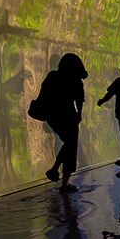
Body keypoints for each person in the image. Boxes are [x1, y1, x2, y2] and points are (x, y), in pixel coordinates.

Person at [36, 53, 87, 193]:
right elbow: (79, 100)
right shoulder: (76, 80)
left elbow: (43, 95)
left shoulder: (52, 76)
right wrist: (79, 114)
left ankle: (54, 170)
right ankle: (63, 182)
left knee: (68, 144)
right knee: (71, 146)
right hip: (69, 116)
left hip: (53, 116)